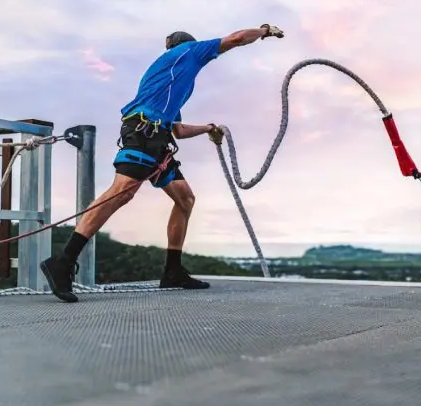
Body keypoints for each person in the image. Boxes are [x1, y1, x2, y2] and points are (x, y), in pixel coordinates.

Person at [40, 24, 285, 303]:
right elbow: (238, 38)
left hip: (158, 139)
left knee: (185, 198)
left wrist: (209, 129)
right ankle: (63, 261)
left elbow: (177, 129)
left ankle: (173, 271)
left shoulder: (170, 79)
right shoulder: (189, 51)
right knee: (122, 192)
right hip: (144, 132)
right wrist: (264, 30)